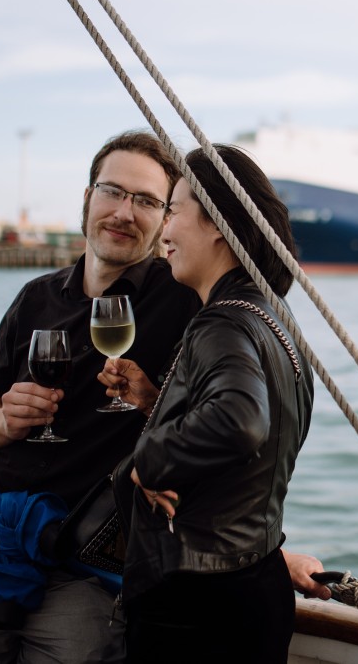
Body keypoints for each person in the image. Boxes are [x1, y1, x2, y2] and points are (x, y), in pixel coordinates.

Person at [0, 132, 326, 664]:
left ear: (168, 217)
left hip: (93, 562)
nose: (124, 212)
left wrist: (265, 554)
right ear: (88, 197)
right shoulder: (34, 299)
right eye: (112, 191)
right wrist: (5, 420)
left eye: (147, 201)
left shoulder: (190, 295)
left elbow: (237, 422)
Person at [118, 144, 314, 664]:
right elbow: (258, 442)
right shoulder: (276, 316)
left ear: (218, 225)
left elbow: (240, 422)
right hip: (256, 583)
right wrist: (156, 402)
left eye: (173, 210)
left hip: (193, 606)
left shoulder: (221, 321)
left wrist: (149, 461)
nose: (163, 232)